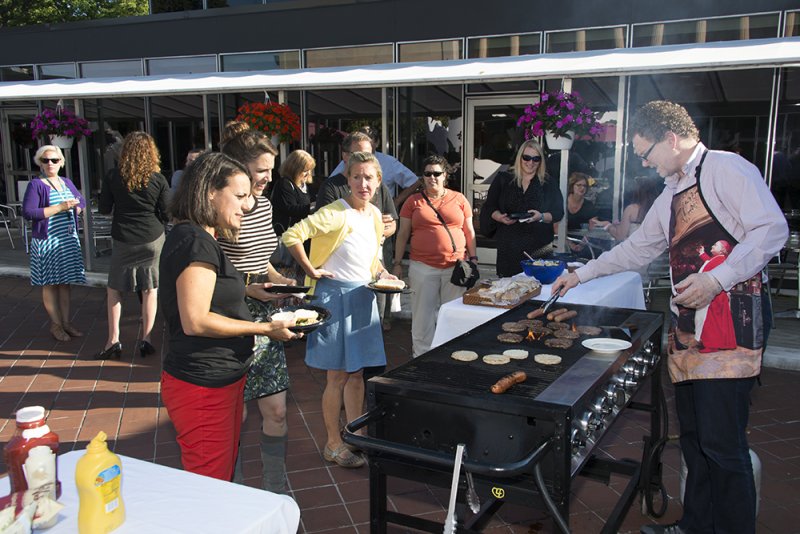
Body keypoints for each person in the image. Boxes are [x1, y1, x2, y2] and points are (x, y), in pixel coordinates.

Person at [548, 101, 788, 534]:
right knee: (695, 441)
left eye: (646, 152)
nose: (645, 162)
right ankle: (696, 526)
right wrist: (581, 274)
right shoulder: (672, 189)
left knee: (723, 445)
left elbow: (772, 230)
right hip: (689, 327)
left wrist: (719, 280)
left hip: (731, 324)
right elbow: (639, 248)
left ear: (671, 139)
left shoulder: (727, 169)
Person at [159, 152, 297, 482]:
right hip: (203, 385)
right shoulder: (196, 242)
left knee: (219, 477)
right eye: (238, 196)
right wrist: (266, 328)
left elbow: (209, 290)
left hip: (220, 380)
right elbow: (196, 320)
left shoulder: (198, 236)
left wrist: (251, 289)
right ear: (209, 191)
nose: (247, 206)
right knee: (211, 486)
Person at [282, 151, 399, 469]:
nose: (363, 183)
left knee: (358, 374)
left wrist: (383, 273)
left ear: (378, 181)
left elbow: (372, 256)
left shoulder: (375, 215)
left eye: (369, 177)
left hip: (363, 298)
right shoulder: (336, 212)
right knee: (336, 377)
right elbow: (292, 235)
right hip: (334, 299)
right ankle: (333, 444)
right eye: (357, 176)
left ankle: (354, 437)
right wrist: (311, 269)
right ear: (347, 179)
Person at [217, 121, 298, 493]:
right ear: (237, 167)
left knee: (277, 411)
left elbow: (259, 259)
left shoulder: (264, 206)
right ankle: (234, 489)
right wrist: (251, 290)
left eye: (271, 168)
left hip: (267, 318)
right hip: (231, 317)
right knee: (237, 414)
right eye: (260, 169)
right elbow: (213, 274)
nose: (268, 177)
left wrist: (279, 280)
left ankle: (274, 487)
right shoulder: (219, 209)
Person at [392, 154, 476, 357]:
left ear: (445, 175)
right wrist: (397, 263)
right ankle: (421, 358)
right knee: (422, 318)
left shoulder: (459, 199)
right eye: (427, 173)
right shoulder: (412, 202)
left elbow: (469, 231)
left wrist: (473, 259)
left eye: (437, 173)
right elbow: (402, 234)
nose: (432, 177)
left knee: (453, 316)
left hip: (455, 267)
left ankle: (452, 357)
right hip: (423, 268)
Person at [97, 132, 169, 360]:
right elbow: (166, 212)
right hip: (152, 236)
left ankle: (113, 340)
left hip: (123, 236)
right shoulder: (158, 179)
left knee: (115, 290)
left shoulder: (112, 176)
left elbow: (104, 209)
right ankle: (146, 339)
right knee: (150, 288)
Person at [316, 131, 398, 331]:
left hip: (375, 264)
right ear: (345, 156)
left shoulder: (378, 187)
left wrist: (382, 230)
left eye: (370, 153)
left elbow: (393, 223)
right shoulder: (331, 187)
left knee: (372, 323)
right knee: (339, 332)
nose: (366, 159)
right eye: (358, 154)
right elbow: (318, 231)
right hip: (341, 277)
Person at [22, 145, 86, 342]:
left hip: (66, 240)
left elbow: (81, 200)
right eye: (45, 160)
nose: (50, 163)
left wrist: (77, 209)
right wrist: (59, 207)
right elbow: (29, 212)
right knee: (49, 284)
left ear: (61, 162)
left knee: (65, 283)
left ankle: (66, 323)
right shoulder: (36, 185)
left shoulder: (66, 182)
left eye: (54, 160)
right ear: (40, 164)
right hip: (47, 241)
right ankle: (56, 325)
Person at [479, 139, 564, 277]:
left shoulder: (548, 183)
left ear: (541, 161)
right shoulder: (504, 179)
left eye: (536, 159)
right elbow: (489, 207)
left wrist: (540, 216)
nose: (531, 162)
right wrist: (499, 217)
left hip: (538, 249)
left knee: (537, 291)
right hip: (509, 248)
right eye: (527, 157)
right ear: (520, 157)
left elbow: (558, 213)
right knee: (509, 292)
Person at [594, 175, 661, 242]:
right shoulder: (659, 209)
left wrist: (607, 225)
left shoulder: (631, 209)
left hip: (635, 250)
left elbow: (619, 236)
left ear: (637, 191)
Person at [271, 149, 314, 236]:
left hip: (302, 234)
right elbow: (290, 209)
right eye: (305, 170)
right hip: (288, 237)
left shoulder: (304, 185)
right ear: (294, 169)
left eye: (310, 170)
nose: (308, 174)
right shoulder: (284, 184)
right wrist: (312, 207)